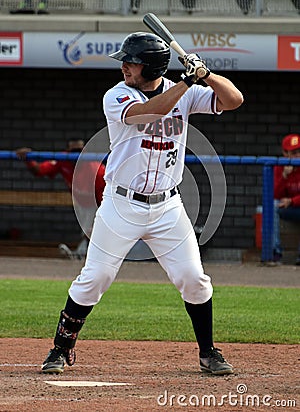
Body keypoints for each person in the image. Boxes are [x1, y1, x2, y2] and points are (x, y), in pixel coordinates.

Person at [41, 32, 243, 376]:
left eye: (131, 62)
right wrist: (184, 82)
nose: (124, 67)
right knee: (96, 277)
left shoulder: (187, 91)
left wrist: (205, 75)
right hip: (121, 205)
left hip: (167, 207)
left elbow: (234, 99)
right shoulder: (117, 95)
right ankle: (60, 349)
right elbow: (148, 112)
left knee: (194, 278)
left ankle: (209, 352)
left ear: (148, 66)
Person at [16, 138, 106, 259]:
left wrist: (100, 217)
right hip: (82, 203)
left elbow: (105, 200)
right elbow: (39, 170)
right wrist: (28, 158)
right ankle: (83, 255)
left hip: (100, 201)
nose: (76, 155)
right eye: (73, 151)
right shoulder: (63, 160)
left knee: (96, 231)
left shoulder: (96, 169)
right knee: (88, 231)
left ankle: (88, 255)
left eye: (79, 151)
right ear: (68, 151)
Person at [273, 133, 300, 265]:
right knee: (271, 205)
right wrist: (284, 176)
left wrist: (292, 201)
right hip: (287, 208)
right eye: (291, 153)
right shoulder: (280, 166)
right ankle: (274, 252)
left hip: (295, 204)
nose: (294, 156)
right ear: (284, 153)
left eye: (297, 152)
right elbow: (275, 194)